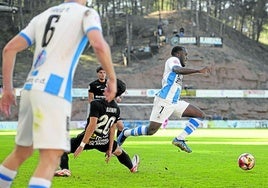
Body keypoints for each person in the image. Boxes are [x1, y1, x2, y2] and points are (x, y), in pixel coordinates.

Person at [0, 1, 117, 187]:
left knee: (21, 152)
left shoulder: (44, 15)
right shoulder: (86, 14)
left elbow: (9, 49)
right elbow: (99, 45)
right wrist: (112, 78)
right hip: (54, 91)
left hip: (30, 88)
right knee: (51, 158)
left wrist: (7, 89)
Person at [117, 46, 211, 153]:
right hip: (164, 101)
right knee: (151, 130)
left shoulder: (178, 64)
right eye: (185, 54)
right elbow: (176, 69)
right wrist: (198, 70)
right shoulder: (173, 60)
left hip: (174, 102)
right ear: (178, 53)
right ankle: (125, 133)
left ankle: (179, 139)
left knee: (200, 115)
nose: (186, 58)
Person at [54, 79, 139, 177]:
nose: (105, 87)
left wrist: (82, 145)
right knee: (119, 151)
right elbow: (112, 129)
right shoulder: (116, 108)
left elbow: (92, 125)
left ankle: (65, 170)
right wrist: (110, 148)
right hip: (103, 141)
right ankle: (132, 168)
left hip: (88, 139)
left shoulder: (96, 104)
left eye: (107, 86)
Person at [87, 66, 125, 138]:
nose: (103, 74)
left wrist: (118, 98)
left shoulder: (109, 83)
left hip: (110, 108)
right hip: (99, 109)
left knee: (121, 126)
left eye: (104, 72)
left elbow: (116, 95)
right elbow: (90, 99)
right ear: (97, 74)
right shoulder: (93, 85)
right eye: (101, 72)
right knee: (94, 129)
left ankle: (118, 144)